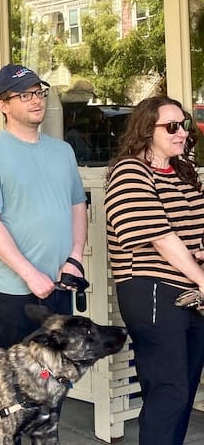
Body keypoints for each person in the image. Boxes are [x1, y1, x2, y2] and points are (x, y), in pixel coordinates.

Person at [0, 64, 87, 348]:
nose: (36, 100)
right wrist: (30, 275)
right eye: (24, 95)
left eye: (38, 92)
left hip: (60, 283)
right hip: (13, 291)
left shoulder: (62, 151)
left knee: (57, 374)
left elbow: (77, 206)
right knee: (13, 381)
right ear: (2, 105)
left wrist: (75, 259)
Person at [105, 96, 204, 445]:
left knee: (184, 387)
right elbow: (158, 236)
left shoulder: (180, 171)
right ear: (147, 129)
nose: (182, 133)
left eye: (184, 125)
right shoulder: (130, 171)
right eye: (171, 126)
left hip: (191, 292)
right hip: (152, 290)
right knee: (169, 388)